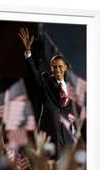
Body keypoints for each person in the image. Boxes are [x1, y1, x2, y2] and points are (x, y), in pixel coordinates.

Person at [19, 27, 75, 160]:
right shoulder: (46, 81)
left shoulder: (71, 88)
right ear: (51, 68)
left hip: (66, 140)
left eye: (60, 67)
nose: (57, 70)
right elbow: (34, 74)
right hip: (50, 135)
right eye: (54, 67)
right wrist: (28, 53)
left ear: (65, 67)